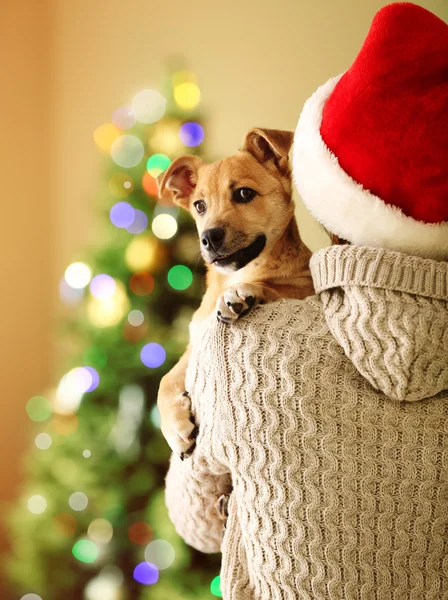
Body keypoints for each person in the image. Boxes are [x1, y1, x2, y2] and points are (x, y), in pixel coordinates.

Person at [164, 3, 448, 598]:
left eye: (244, 196)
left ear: (302, 185)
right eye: (201, 209)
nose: (215, 224)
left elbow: (198, 527)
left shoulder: (243, 347)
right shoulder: (345, 320)